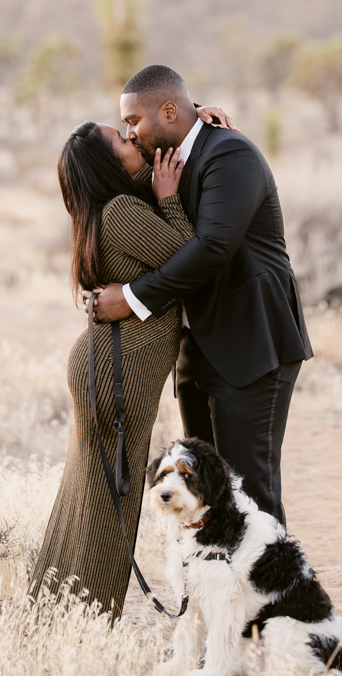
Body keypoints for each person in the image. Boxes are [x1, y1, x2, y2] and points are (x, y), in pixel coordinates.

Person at [92, 63, 312, 525]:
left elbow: (212, 248)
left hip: (252, 343)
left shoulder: (229, 154)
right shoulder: (165, 161)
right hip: (200, 349)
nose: (130, 135)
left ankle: (278, 596)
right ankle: (221, 596)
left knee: (250, 495)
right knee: (207, 492)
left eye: (134, 121)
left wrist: (131, 299)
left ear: (169, 110)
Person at [28, 108, 226, 618]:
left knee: (88, 495)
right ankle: (82, 626)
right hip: (121, 370)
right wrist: (165, 198)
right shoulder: (119, 211)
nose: (133, 139)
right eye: (121, 138)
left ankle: (50, 616)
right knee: (106, 504)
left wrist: (194, 116)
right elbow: (191, 256)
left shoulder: (107, 211)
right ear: (106, 163)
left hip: (109, 362)